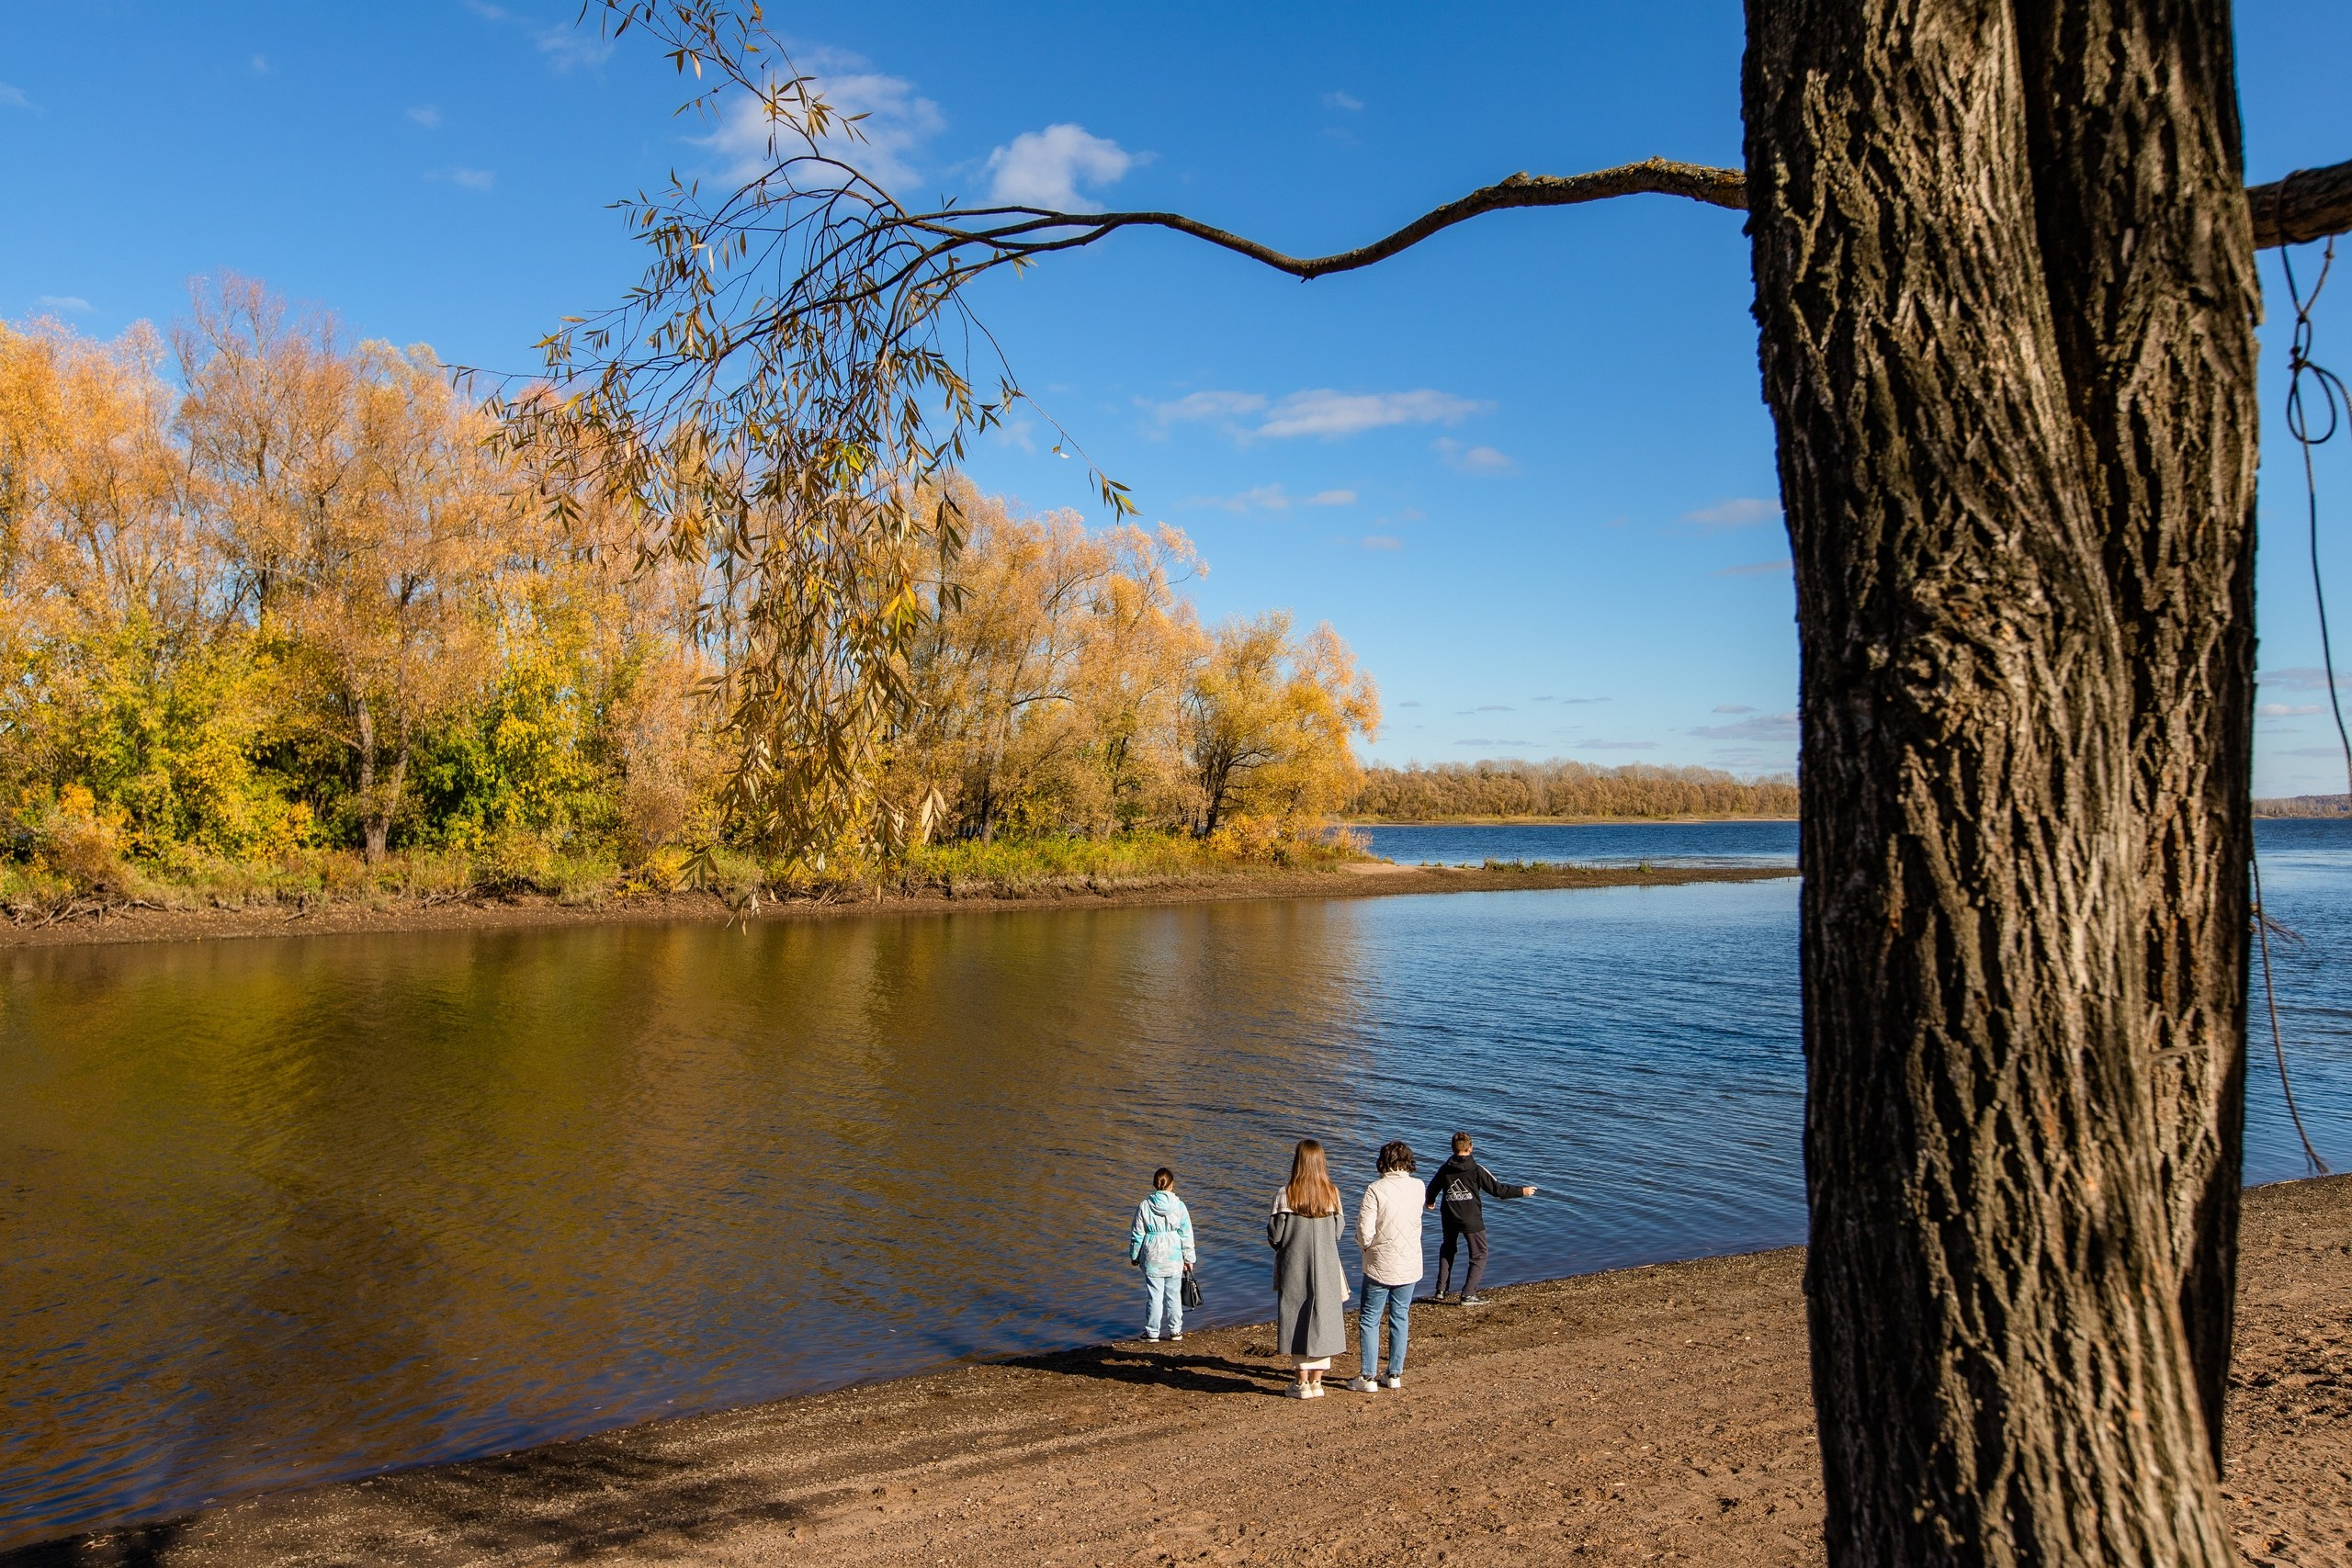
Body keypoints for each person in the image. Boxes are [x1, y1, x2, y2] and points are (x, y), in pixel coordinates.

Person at [1267, 1137, 1350, 1397]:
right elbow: (1338, 1232)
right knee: (1323, 1315)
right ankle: (1317, 1381)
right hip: (1325, 1262)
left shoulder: (1285, 1193)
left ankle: (1301, 1382)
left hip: (1295, 1262)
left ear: (1298, 1162)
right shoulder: (1332, 1193)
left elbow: (1275, 1235)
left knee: (1295, 1314)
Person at [1424, 1131, 1536, 1306]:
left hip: (1449, 1216)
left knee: (1448, 1249)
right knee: (1479, 1254)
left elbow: (1431, 1189)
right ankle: (1468, 1294)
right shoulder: (1476, 1169)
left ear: (1453, 1148)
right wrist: (1522, 1191)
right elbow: (1498, 1190)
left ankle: (1440, 1290)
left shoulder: (1445, 1169)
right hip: (1471, 1219)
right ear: (1471, 1148)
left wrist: (1430, 1201)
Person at [1347, 1140, 1424, 1393]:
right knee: (1400, 1317)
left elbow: (1364, 1230)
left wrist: (1364, 1246)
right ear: (1407, 1162)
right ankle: (1394, 1373)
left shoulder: (1375, 1189)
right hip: (1409, 1262)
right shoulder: (1418, 1186)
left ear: (1382, 1162)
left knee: (1370, 1318)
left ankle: (1368, 1377)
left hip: (1380, 1262)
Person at [1127, 1167, 1197, 1342]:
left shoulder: (1144, 1206)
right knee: (1173, 1294)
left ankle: (1152, 1332)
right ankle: (1176, 1331)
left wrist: (1134, 1256)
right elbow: (1186, 1234)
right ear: (1171, 1185)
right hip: (1174, 1254)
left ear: (1154, 1184)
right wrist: (1189, 1258)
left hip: (1152, 1255)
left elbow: (1138, 1234)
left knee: (1154, 1296)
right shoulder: (1179, 1206)